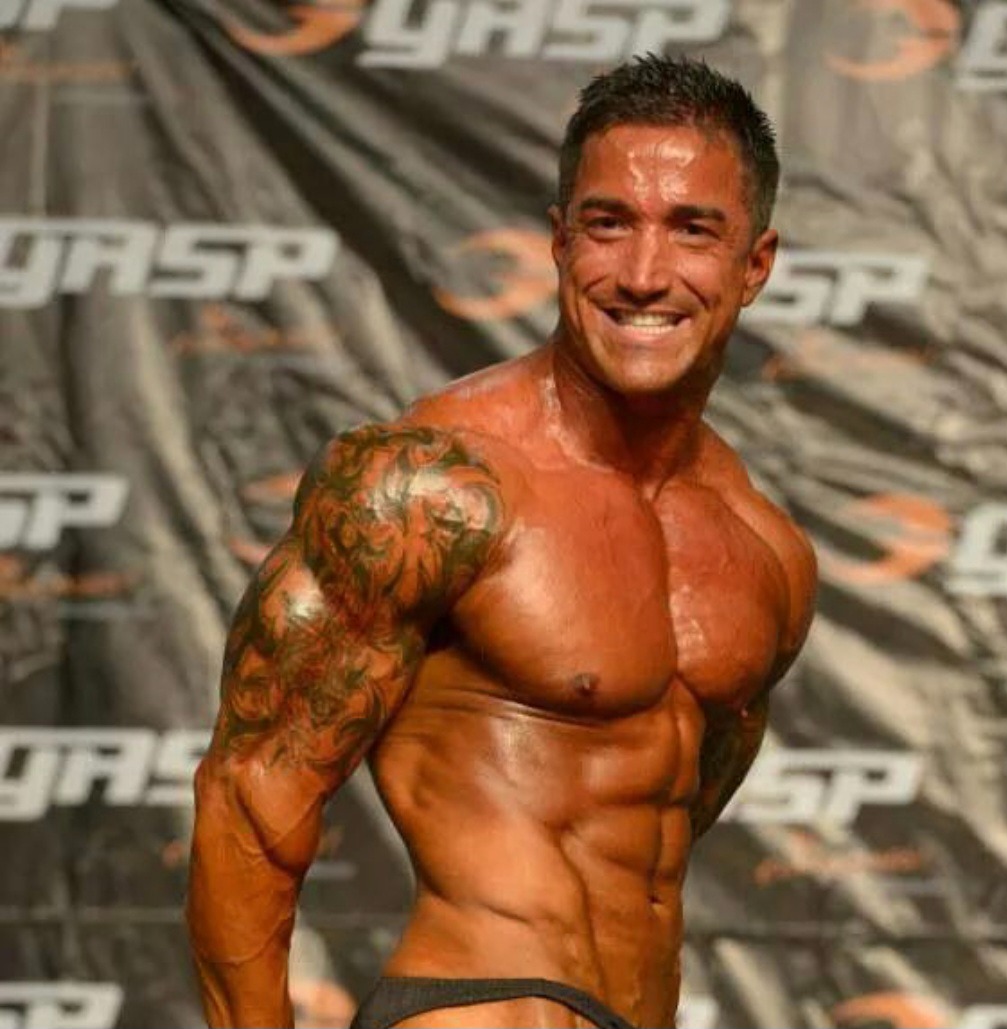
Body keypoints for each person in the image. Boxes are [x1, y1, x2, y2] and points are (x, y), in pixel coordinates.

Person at [186, 54, 817, 1029]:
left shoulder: (764, 547)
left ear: (755, 264)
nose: (644, 275)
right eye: (608, 225)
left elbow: (665, 815)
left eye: (693, 230)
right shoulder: (431, 488)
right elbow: (251, 795)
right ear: (559, 242)